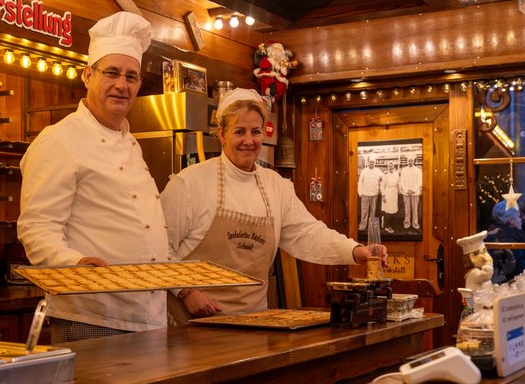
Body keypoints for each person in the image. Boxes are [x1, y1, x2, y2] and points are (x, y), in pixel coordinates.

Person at [160, 88, 387, 320]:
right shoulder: (188, 184)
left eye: (255, 132)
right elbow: (158, 249)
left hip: (253, 322)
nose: (248, 141)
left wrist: (355, 251)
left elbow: (307, 233)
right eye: (239, 132)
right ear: (221, 134)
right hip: (192, 325)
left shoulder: (276, 186)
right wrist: (185, 292)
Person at [18, 12, 169, 342]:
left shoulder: (131, 143)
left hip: (149, 313)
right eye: (111, 73)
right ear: (88, 75)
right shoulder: (58, 141)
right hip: (92, 313)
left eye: (131, 77)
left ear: (139, 85)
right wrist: (74, 263)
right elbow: (37, 226)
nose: (121, 84)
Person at [486, 200, 521, 283]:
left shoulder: (494, 232)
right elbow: (517, 267)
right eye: (518, 217)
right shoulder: (507, 236)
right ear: (511, 220)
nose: (521, 220)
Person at [357, 154, 383, 231]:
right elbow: (360, 182)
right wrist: (360, 192)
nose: (372, 164)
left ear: (375, 163)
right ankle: (362, 226)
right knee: (364, 211)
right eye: (370, 162)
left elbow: (383, 178)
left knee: (373, 212)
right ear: (368, 163)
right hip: (365, 194)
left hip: (374, 194)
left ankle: (372, 227)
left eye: (373, 162)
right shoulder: (364, 171)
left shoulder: (378, 171)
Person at [399, 155, 422, 230]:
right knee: (407, 209)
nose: (410, 162)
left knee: (415, 210)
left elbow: (420, 181)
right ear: (407, 161)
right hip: (406, 193)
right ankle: (407, 223)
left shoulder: (418, 170)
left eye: (411, 161)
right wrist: (406, 190)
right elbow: (402, 181)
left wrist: (413, 190)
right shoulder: (404, 170)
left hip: (415, 193)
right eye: (409, 161)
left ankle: (415, 224)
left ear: (414, 161)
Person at [379, 160, 399, 233]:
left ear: (394, 167)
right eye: (389, 166)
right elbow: (382, 187)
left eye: (392, 166)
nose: (390, 167)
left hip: (394, 193)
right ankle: (387, 226)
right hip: (387, 193)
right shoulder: (385, 175)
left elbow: (398, 184)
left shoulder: (396, 174)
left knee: (392, 210)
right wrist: (383, 195)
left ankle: (385, 221)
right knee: (387, 210)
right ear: (387, 167)